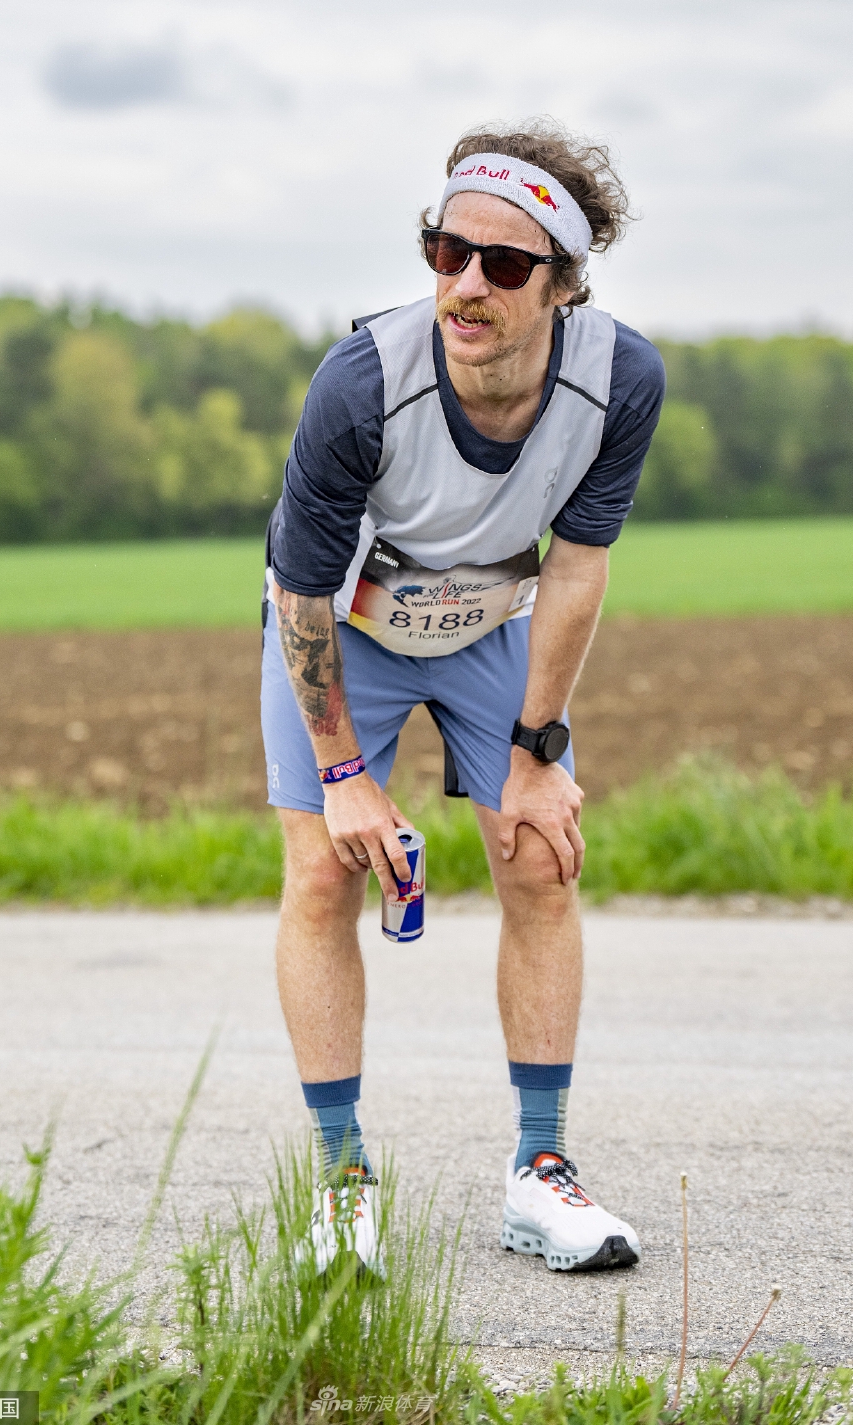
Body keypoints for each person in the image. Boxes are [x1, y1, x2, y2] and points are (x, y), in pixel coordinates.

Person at [261, 120, 665, 1274]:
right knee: (321, 871)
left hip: (490, 616)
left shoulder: (619, 379)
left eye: (503, 263)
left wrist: (537, 750)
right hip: (345, 624)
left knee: (540, 857)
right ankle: (341, 1181)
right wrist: (343, 776)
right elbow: (298, 592)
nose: (466, 283)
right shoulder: (360, 382)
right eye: (446, 251)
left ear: (565, 283)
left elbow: (575, 565)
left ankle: (539, 1173)